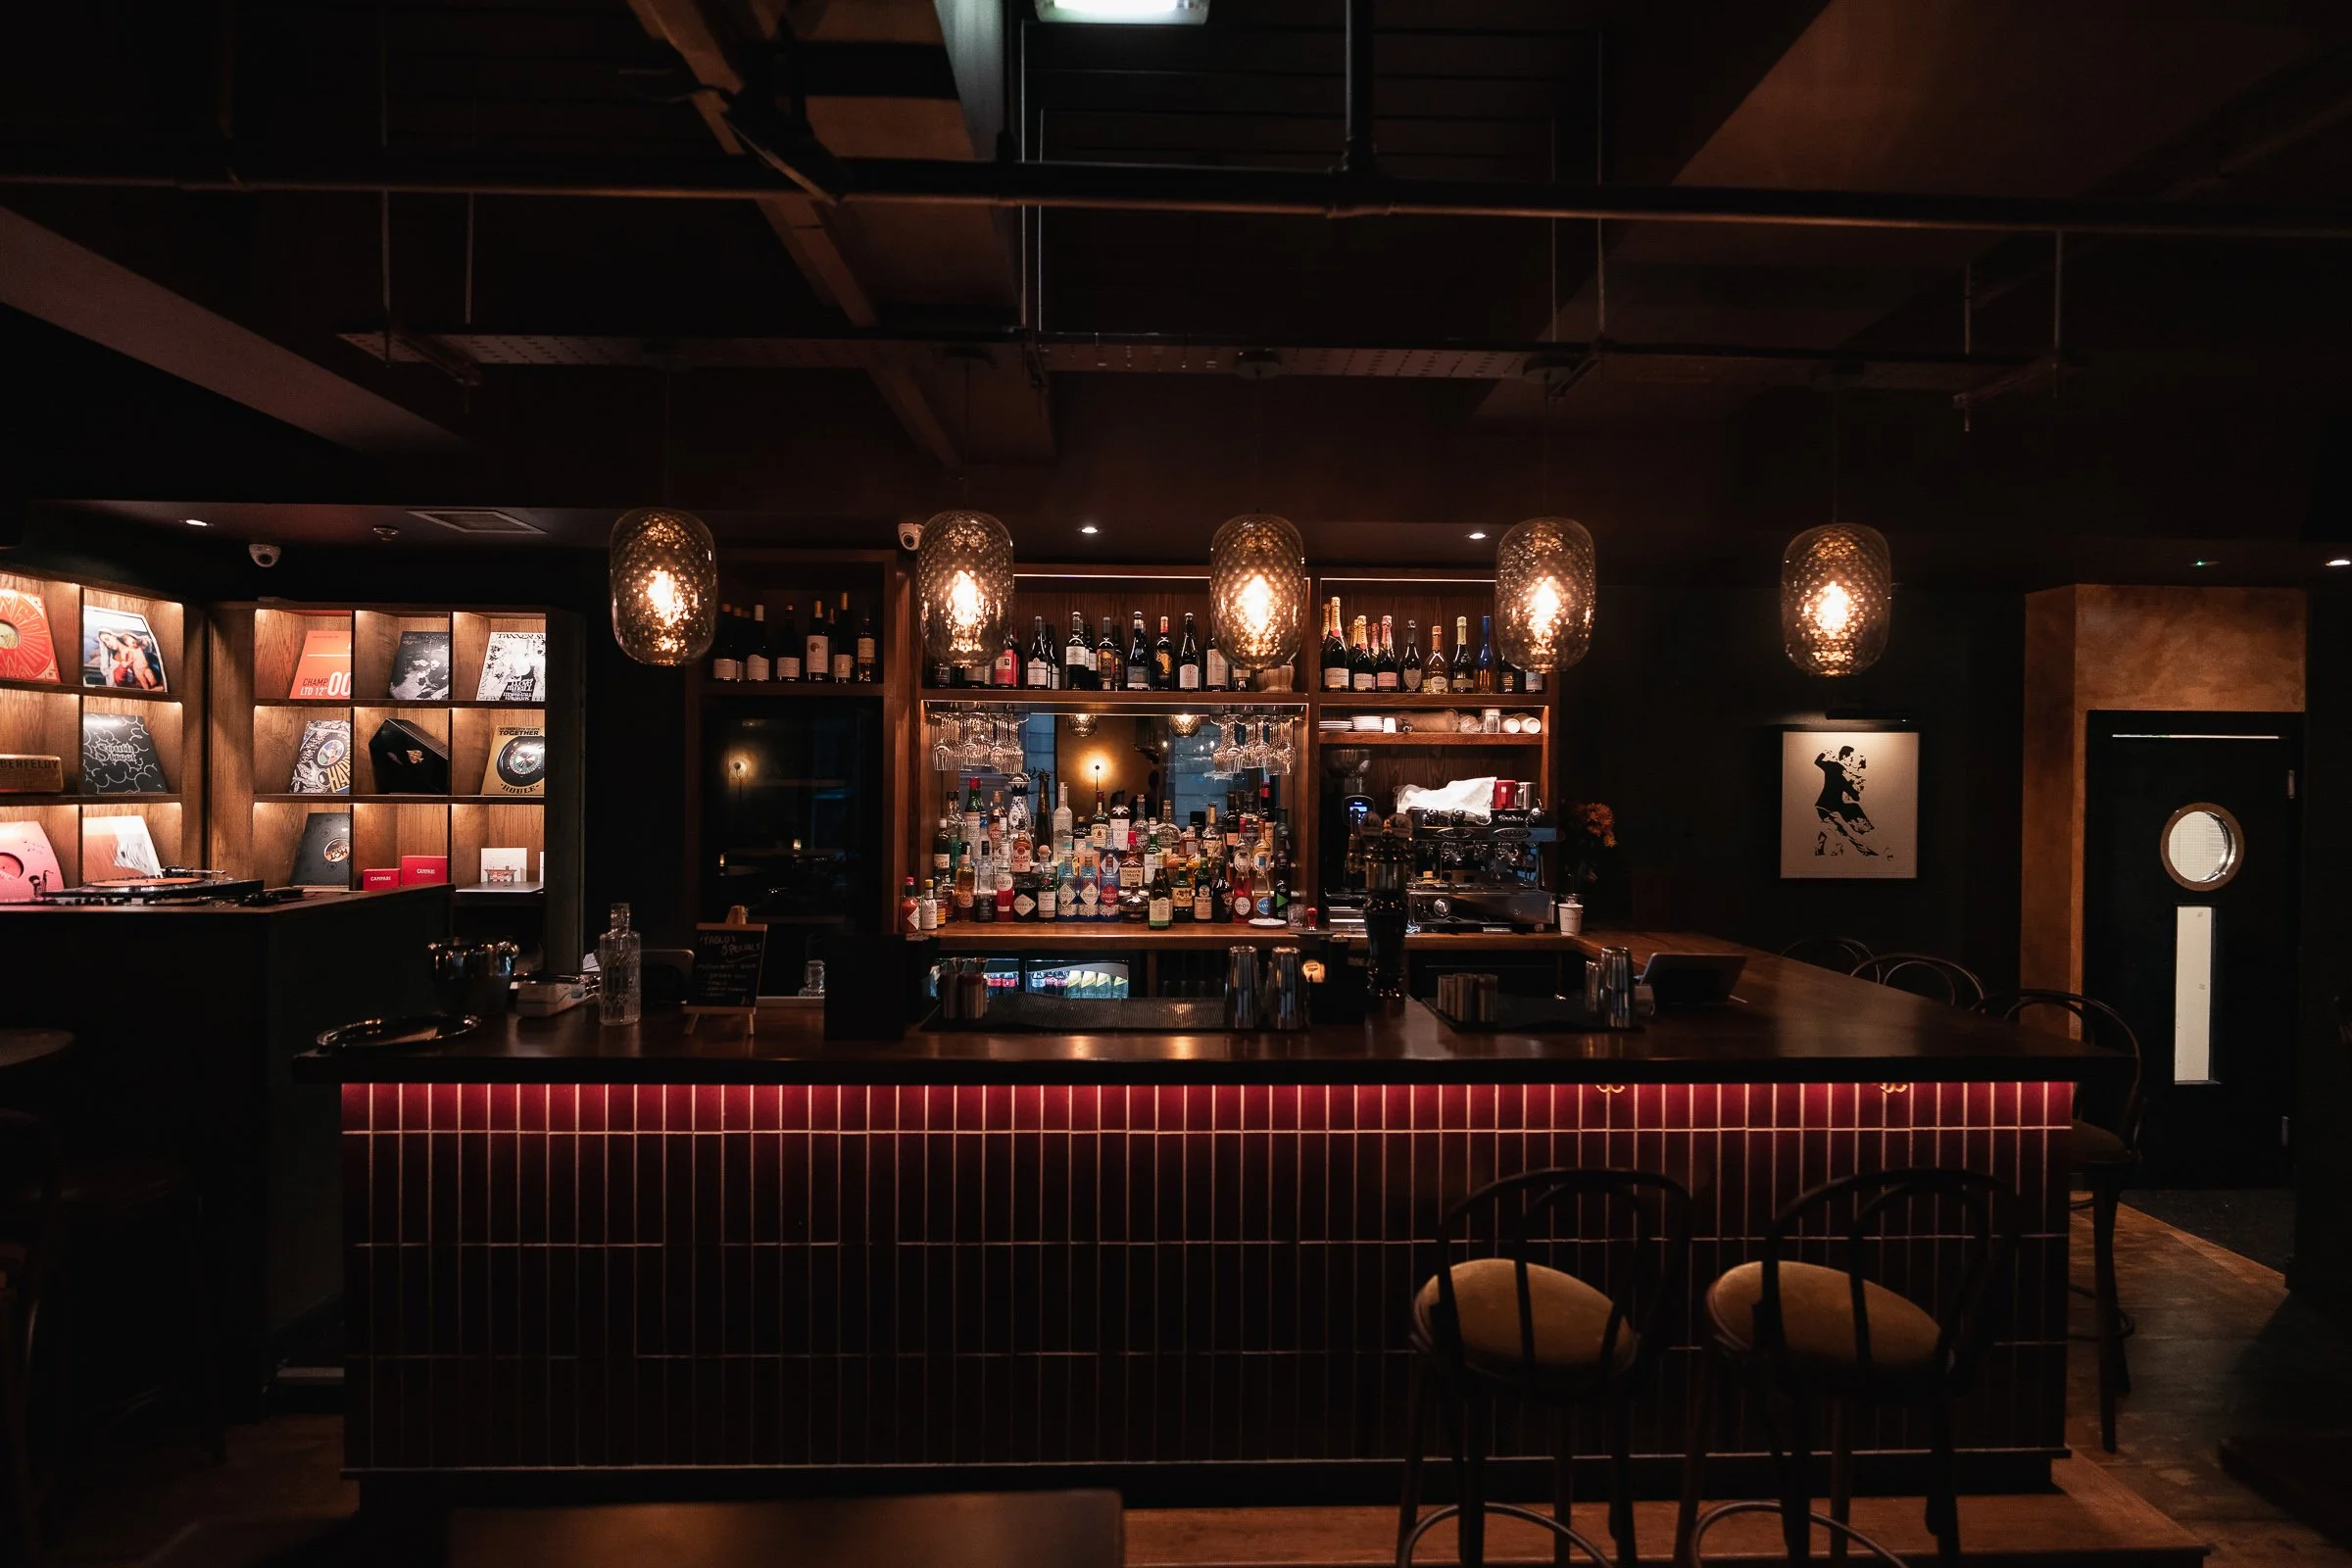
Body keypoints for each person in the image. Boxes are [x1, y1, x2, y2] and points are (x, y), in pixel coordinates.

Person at [1812, 745, 1879, 858]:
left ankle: (1820, 850)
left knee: (1834, 827)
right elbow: (1818, 762)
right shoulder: (1835, 768)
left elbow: (1855, 796)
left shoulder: (1836, 769)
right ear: (1844, 757)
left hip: (1829, 806)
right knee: (1840, 830)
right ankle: (1863, 850)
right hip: (1827, 807)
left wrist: (1855, 786)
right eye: (1851, 758)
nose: (1853, 761)